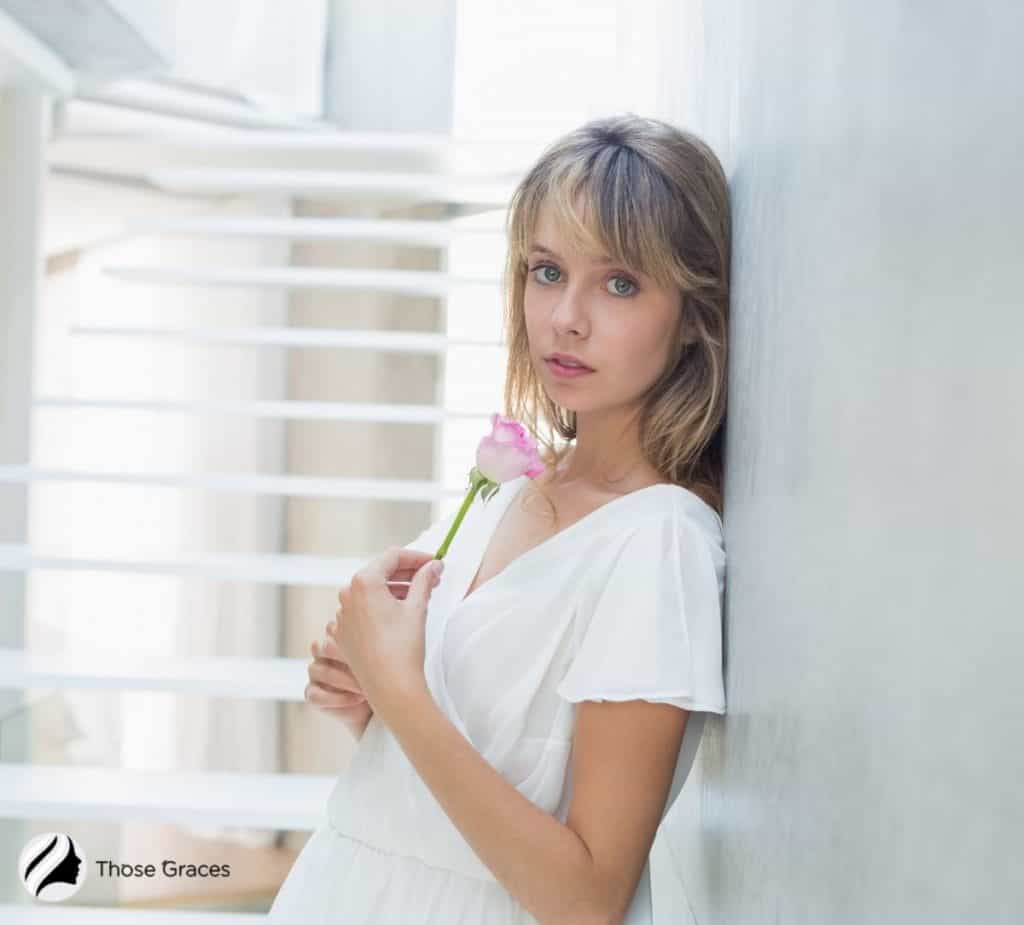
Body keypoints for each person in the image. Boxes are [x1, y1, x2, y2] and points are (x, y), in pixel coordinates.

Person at [269, 112, 731, 924]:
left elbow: (588, 899)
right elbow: (462, 775)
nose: (566, 317)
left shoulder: (658, 542)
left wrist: (400, 690)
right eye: (547, 271)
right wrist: (366, 702)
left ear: (693, 314)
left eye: (620, 283)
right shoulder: (515, 484)